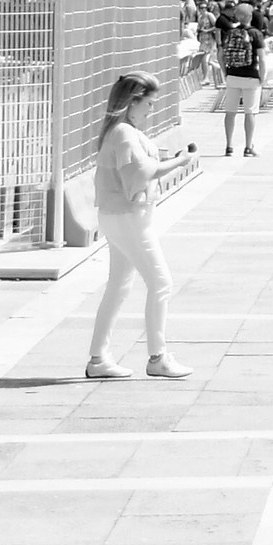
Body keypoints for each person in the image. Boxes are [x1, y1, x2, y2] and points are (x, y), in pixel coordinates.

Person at [87, 72, 197, 380]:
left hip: (118, 215)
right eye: (148, 103)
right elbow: (140, 173)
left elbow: (137, 168)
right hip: (129, 216)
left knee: (119, 286)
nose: (152, 109)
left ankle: (98, 358)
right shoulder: (123, 131)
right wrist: (181, 161)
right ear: (133, 102)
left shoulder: (121, 129)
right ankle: (157, 357)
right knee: (161, 282)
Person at [217, 3, 266, 156]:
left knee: (230, 112)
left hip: (232, 75)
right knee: (250, 113)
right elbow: (262, 59)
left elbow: (221, 55)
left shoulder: (230, 32)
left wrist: (225, 72)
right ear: (250, 16)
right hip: (251, 76)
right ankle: (248, 146)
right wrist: (262, 78)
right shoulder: (255, 34)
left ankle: (229, 146)